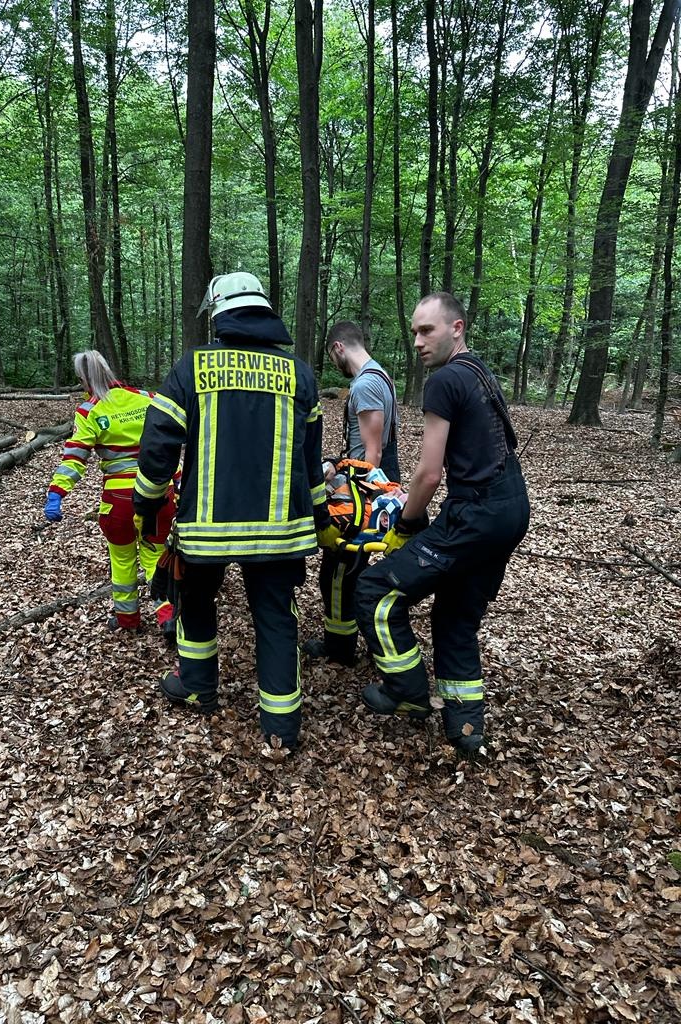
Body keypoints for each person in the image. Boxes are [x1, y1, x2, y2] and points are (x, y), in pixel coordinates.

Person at [133, 272, 331, 750]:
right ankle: (281, 727)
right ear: (264, 311)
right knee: (277, 617)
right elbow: (311, 464)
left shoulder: (191, 368)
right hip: (281, 533)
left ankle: (199, 689)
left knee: (197, 604)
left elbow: (159, 444)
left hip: (206, 532)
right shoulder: (301, 375)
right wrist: (321, 521)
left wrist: (147, 501)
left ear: (219, 313)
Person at [355, 293, 530, 754]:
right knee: (455, 615)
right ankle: (466, 728)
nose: (417, 340)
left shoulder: (445, 380)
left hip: (477, 512)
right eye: (414, 331)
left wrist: (406, 526)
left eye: (426, 330)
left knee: (375, 591)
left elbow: (429, 473)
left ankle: (407, 691)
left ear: (457, 328)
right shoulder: (477, 371)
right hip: (511, 508)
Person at [43, 350, 178, 637]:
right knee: (156, 556)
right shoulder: (146, 397)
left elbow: (74, 458)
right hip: (157, 494)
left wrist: (57, 492)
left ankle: (128, 619)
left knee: (123, 560)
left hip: (119, 502)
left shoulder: (90, 411)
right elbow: (168, 444)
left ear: (84, 379)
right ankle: (167, 614)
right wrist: (177, 480)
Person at [302, 320, 400, 667]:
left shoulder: (366, 385)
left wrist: (349, 493)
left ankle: (341, 650)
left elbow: (371, 456)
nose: (334, 365)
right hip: (364, 489)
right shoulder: (380, 377)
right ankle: (342, 642)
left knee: (339, 572)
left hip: (364, 496)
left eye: (332, 357)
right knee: (341, 570)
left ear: (338, 347)